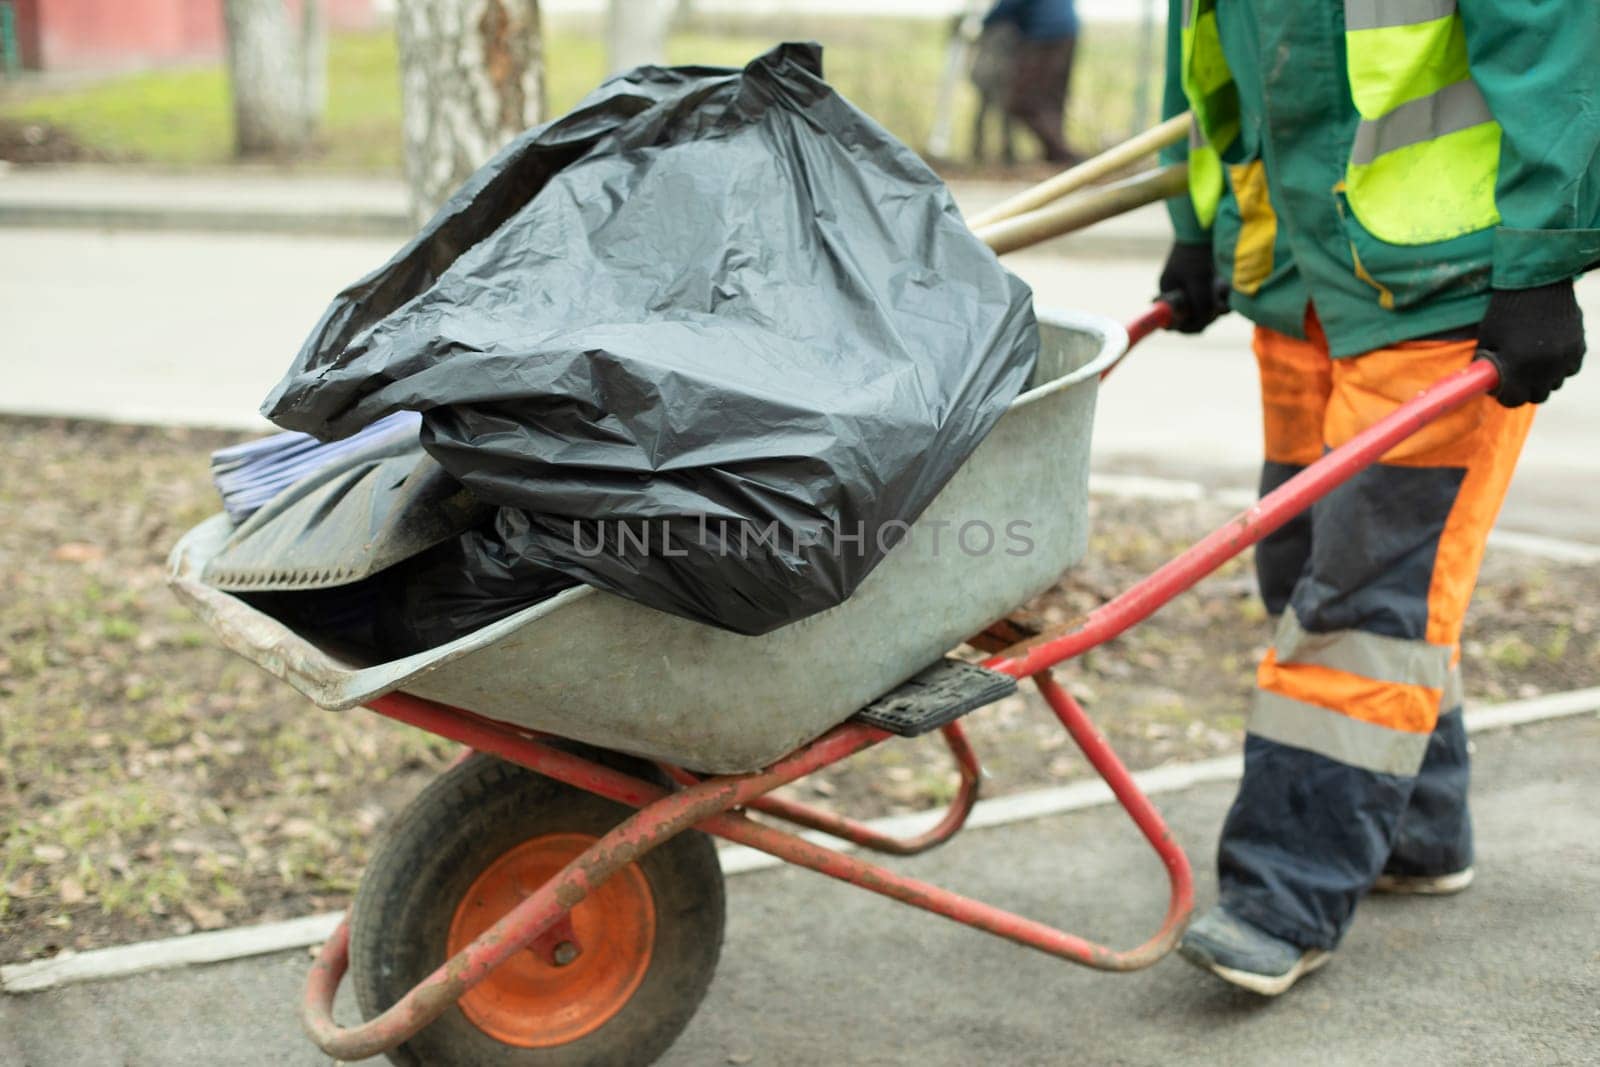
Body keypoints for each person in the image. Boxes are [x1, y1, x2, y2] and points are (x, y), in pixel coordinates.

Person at [1156, 0, 1595, 996]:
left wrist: (1544, 257)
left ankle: (1283, 892)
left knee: (1361, 603)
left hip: (1443, 290)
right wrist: (1197, 224)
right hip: (1302, 278)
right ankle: (1415, 829)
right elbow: (1201, 48)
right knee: (1312, 568)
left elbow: (1556, 40)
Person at [980, 0, 1080, 163]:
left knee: (1020, 100)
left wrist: (984, 23)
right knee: (1051, 100)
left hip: (1044, 36)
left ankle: (1061, 154)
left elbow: (1009, 5)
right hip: (1066, 31)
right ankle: (1057, 155)